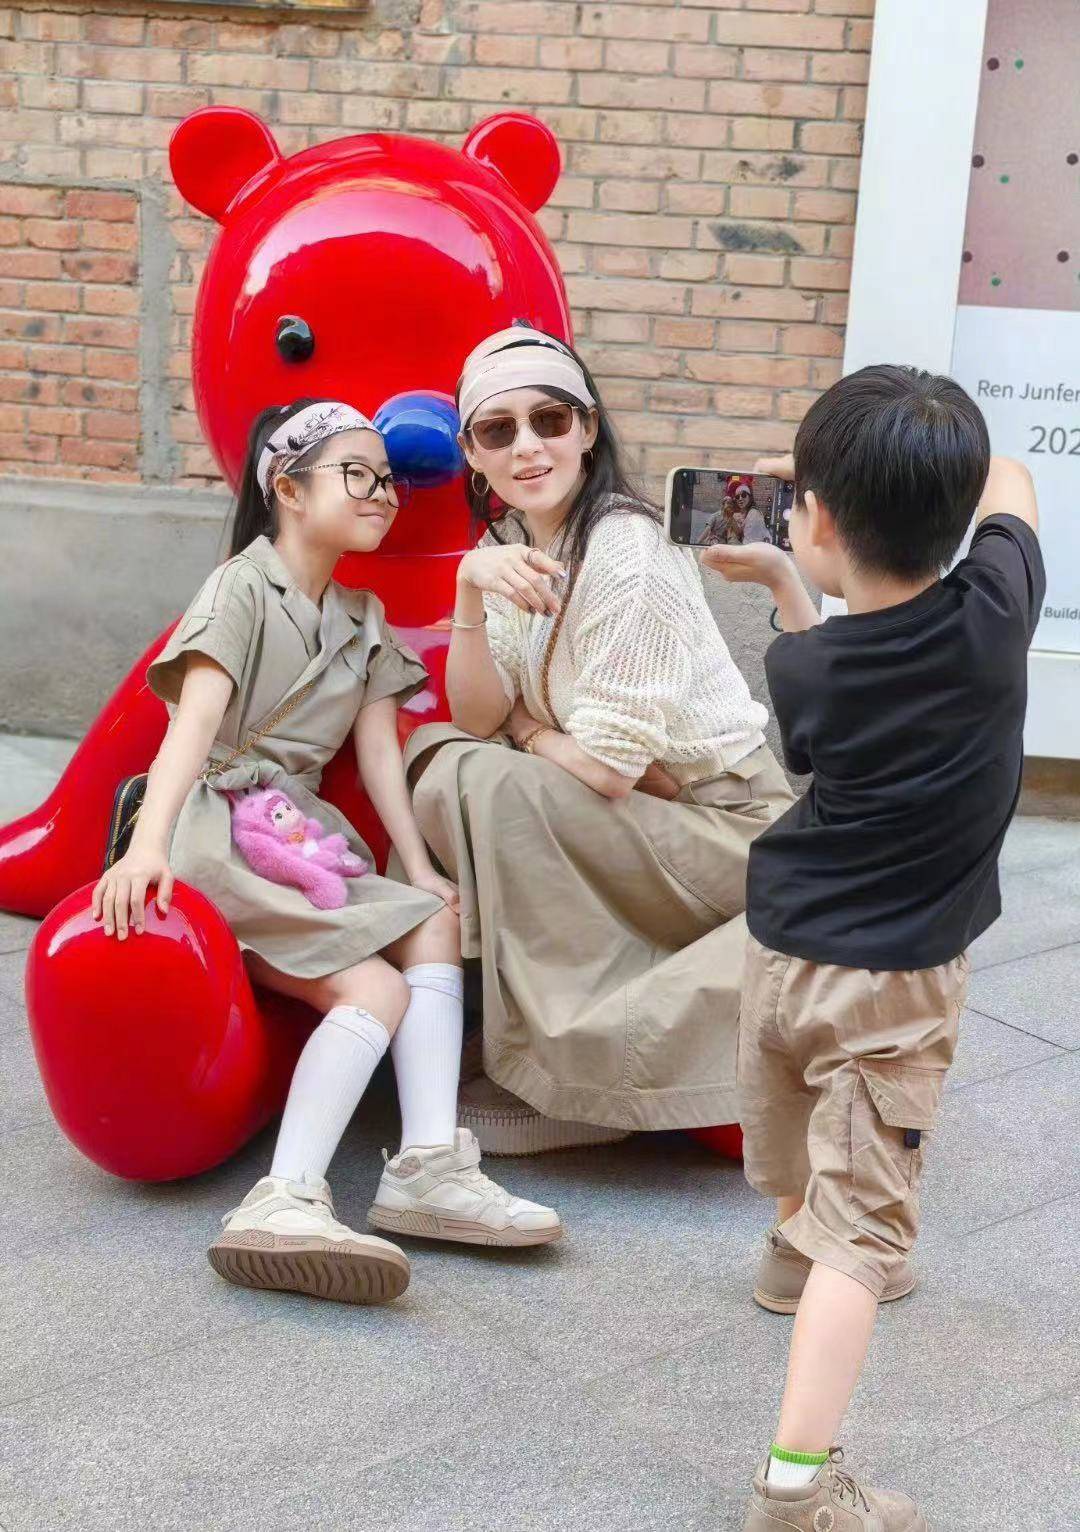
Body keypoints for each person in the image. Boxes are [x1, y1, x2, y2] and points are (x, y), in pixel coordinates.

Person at [93, 398, 561, 1306]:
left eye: (387, 479)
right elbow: (192, 726)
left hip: (302, 839)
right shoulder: (240, 587)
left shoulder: (361, 614)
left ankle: (428, 1167)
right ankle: (285, 1195)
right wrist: (147, 847)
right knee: (376, 989)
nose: (382, 493)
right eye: (358, 474)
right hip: (220, 832)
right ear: (288, 487)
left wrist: (419, 870)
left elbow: (379, 755)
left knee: (434, 924)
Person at [703, 365, 1044, 1531]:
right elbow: (1012, 478)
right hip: (894, 979)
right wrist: (904, 475)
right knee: (871, 1233)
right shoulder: (997, 611)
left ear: (819, 523)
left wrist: (788, 579)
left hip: (782, 949)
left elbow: (814, 741)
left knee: (801, 1117)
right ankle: (798, 1483)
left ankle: (789, 1251)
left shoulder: (805, 662)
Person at [400, 325, 793, 1151]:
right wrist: (468, 591)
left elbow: (609, 769)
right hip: (652, 807)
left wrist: (528, 730)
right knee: (449, 761)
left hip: (728, 827)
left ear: (586, 428)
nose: (527, 446)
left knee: (488, 779)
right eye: (498, 429)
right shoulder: (515, 549)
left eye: (549, 419)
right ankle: (536, 1030)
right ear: (471, 453)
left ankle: (576, 1077)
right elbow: (478, 715)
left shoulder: (627, 550)